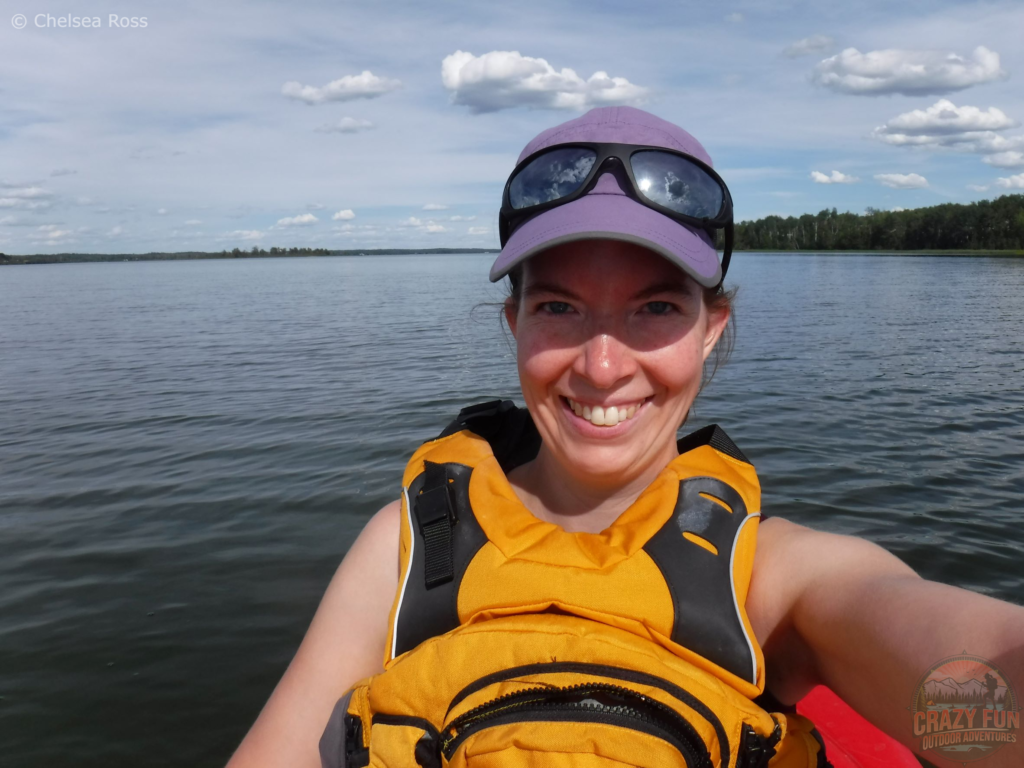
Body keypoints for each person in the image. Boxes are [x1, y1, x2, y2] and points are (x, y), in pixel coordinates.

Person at [227, 107, 1024, 768]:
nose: (603, 367)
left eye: (655, 309)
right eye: (560, 309)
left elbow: (968, 684)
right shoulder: (411, 548)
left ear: (712, 329)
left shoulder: (776, 579)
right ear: (514, 324)